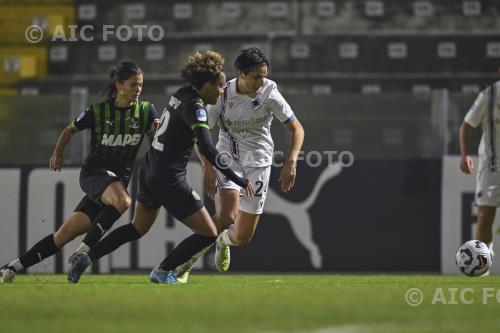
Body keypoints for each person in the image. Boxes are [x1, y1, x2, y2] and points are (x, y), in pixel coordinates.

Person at [66, 50, 254, 284]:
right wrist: (239, 179)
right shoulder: (195, 106)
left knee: (136, 229)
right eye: (219, 86)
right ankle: (163, 271)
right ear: (205, 85)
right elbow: (207, 147)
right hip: (169, 178)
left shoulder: (181, 94)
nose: (222, 91)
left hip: (149, 170)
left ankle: (86, 257)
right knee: (209, 232)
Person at [0, 61, 159, 283]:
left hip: (114, 184)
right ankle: (83, 252)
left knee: (63, 235)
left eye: (140, 85)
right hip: (95, 174)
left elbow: (155, 141)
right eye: (133, 85)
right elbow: (69, 129)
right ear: (119, 85)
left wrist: (155, 133)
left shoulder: (146, 111)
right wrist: (57, 153)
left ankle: (11, 267)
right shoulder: (98, 111)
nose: (138, 90)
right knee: (123, 201)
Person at [168, 47, 305, 283]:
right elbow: (199, 137)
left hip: (259, 162)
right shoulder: (220, 95)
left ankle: (223, 241)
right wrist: (208, 166)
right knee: (226, 215)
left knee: (242, 236)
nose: (262, 82)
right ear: (241, 74)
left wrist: (291, 161)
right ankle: (183, 266)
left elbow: (297, 129)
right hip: (226, 158)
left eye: (264, 76)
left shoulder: (270, 93)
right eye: (256, 77)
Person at [460, 80, 499, 260]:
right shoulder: (489, 95)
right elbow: (466, 125)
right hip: (492, 165)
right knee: (484, 217)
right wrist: (465, 155)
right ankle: (482, 268)